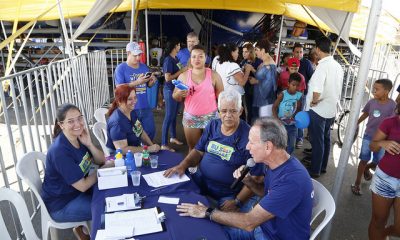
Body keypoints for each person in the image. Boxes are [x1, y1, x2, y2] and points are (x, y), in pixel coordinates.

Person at [175, 117, 313, 240]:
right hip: (262, 228)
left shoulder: (291, 180)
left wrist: (207, 212)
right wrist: (248, 181)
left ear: (268, 146)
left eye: (251, 142)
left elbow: (249, 222)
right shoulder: (275, 163)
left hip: (272, 236)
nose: (247, 147)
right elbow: (266, 192)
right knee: (209, 232)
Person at [164, 90, 263, 221]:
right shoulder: (213, 125)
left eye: (233, 111)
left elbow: (256, 178)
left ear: (241, 111)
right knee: (177, 205)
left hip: (228, 194)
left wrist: (238, 201)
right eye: (224, 110)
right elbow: (198, 151)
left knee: (223, 229)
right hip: (201, 181)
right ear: (218, 110)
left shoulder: (250, 137)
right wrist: (182, 166)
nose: (228, 115)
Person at [41, 103, 112, 240]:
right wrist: (101, 171)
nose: (77, 124)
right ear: (61, 125)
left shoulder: (77, 138)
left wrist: (89, 144)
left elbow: (100, 160)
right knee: (107, 208)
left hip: (76, 193)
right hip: (62, 204)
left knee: (111, 195)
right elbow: (83, 185)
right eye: (71, 121)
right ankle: (92, 233)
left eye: (79, 118)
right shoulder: (60, 151)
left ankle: (84, 231)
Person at [173, 45, 224, 152]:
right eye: (194, 56)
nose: (197, 59)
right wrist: (179, 94)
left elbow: (221, 97)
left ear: (206, 58)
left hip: (211, 117)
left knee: (212, 149)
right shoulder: (183, 76)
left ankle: (208, 168)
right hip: (191, 117)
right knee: (193, 149)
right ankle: (193, 169)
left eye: (200, 56)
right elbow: (175, 97)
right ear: (190, 59)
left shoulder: (214, 75)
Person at [305, 37, 344, 178]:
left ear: (318, 49)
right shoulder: (337, 66)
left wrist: (314, 101)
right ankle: (322, 167)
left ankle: (315, 169)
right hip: (331, 109)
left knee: (318, 141)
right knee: (326, 139)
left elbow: (317, 90)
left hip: (319, 110)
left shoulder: (322, 66)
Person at [351, 79, 396, 195]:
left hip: (383, 141)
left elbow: (393, 123)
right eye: (374, 88)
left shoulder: (392, 105)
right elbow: (365, 113)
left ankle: (367, 168)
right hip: (368, 136)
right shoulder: (371, 102)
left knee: (378, 162)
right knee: (363, 160)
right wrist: (355, 123)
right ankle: (357, 183)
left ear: (386, 91)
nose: (374, 91)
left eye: (377, 89)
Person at [368, 102, 400, 239]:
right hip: (384, 179)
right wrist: (382, 143)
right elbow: (372, 146)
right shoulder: (390, 123)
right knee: (378, 221)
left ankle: (384, 234)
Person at [114, 42, 157, 140]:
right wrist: (136, 82)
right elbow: (118, 88)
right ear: (128, 53)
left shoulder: (143, 67)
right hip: (130, 107)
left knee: (150, 131)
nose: (138, 58)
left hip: (144, 105)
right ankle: (138, 151)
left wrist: (152, 81)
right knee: (133, 134)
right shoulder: (121, 68)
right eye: (135, 55)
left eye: (139, 55)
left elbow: (148, 85)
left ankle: (146, 150)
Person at [106, 84, 160, 155]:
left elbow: (140, 131)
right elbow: (122, 150)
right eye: (130, 99)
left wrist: (152, 145)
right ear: (119, 101)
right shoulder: (117, 122)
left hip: (133, 149)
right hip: (118, 157)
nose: (134, 101)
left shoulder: (131, 112)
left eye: (135, 97)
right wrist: (148, 149)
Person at [161, 38, 187, 151]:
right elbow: (167, 78)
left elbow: (181, 70)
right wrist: (181, 72)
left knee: (174, 115)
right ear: (175, 46)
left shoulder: (175, 58)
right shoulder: (168, 60)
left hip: (176, 89)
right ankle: (163, 143)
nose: (180, 47)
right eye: (178, 45)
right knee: (169, 116)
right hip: (169, 90)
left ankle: (173, 137)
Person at [246, 39, 277, 122]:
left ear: (263, 50)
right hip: (259, 101)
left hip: (265, 103)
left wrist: (256, 81)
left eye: (256, 50)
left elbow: (270, 85)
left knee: (262, 127)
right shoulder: (264, 63)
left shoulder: (269, 65)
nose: (255, 52)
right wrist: (252, 70)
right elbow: (263, 78)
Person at [273, 73, 303, 154]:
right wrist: (276, 119)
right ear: (288, 84)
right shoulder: (282, 94)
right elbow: (274, 107)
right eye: (293, 85)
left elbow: (299, 108)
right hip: (281, 123)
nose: (295, 87)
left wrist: (294, 116)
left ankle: (289, 160)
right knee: (281, 144)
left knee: (291, 145)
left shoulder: (299, 95)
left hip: (293, 124)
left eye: (297, 85)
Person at [292, 43, 314, 148]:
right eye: (297, 52)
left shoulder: (307, 63)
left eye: (301, 52)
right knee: (290, 115)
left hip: (302, 95)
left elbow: (312, 79)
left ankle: (299, 139)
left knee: (300, 115)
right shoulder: (290, 62)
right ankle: (291, 137)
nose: (299, 54)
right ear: (293, 53)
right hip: (290, 94)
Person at [240, 43, 263, 123]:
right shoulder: (243, 62)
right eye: (243, 51)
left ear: (251, 52)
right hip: (246, 90)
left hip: (257, 90)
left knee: (256, 112)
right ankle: (249, 128)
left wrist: (252, 69)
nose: (243, 53)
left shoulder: (259, 62)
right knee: (249, 110)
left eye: (246, 52)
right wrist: (242, 70)